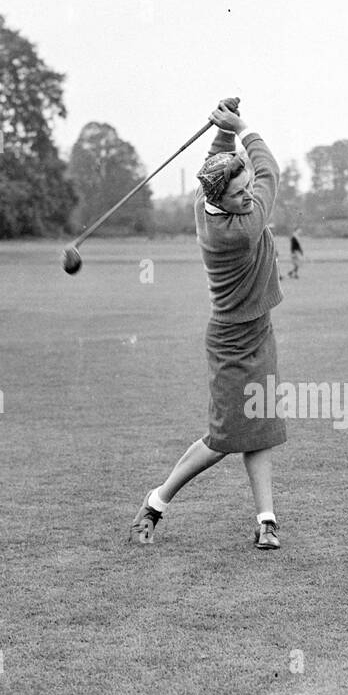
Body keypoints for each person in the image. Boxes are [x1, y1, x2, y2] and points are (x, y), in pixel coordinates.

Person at [128, 98, 285, 551]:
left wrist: (222, 129)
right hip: (232, 339)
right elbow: (270, 168)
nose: (250, 195)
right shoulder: (237, 230)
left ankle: (266, 520)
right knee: (224, 437)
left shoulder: (207, 199)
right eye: (240, 193)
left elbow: (220, 166)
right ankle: (156, 502)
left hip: (259, 328)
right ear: (220, 199)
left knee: (260, 424)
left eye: (248, 188)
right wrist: (244, 127)